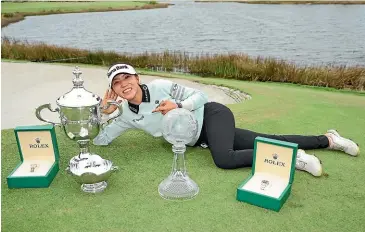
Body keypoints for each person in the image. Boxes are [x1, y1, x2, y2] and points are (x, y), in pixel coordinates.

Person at [93, 63, 360, 177]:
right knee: (269, 140)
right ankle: (329, 140)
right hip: (202, 139)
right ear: (113, 91)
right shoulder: (126, 114)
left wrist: (179, 105)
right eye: (116, 83)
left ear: (137, 78)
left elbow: (201, 94)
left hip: (212, 115)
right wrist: (101, 113)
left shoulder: (162, 86)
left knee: (225, 159)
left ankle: (295, 159)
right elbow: (101, 140)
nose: (123, 84)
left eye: (127, 78)